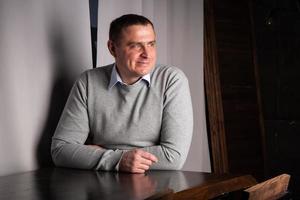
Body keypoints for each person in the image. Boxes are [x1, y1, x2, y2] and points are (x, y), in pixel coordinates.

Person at [51, 14, 193, 173]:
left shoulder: (171, 80)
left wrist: (99, 155)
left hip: (156, 184)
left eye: (151, 44)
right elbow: (60, 150)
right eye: (136, 46)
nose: (147, 54)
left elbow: (173, 156)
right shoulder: (88, 81)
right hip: (101, 184)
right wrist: (118, 160)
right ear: (112, 48)